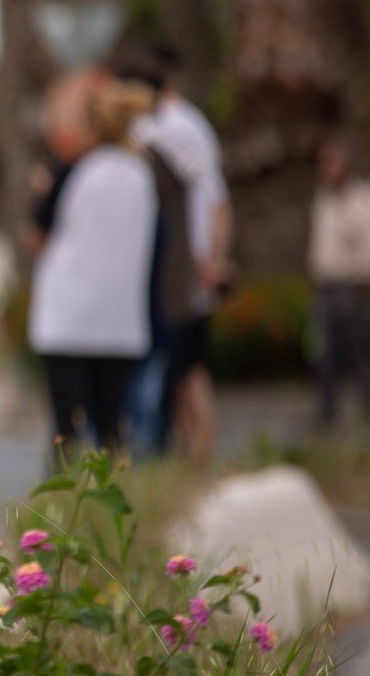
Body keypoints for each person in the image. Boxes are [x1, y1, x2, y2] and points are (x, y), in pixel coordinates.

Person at [27, 79, 159, 456]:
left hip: (67, 318)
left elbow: (38, 236)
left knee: (65, 432)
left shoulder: (72, 170)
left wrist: (40, 193)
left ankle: (59, 511)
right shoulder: (141, 175)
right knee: (112, 431)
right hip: (120, 319)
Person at [126, 43, 231, 464]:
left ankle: (201, 460)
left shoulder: (167, 129)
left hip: (181, 270)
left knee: (186, 373)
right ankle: (196, 460)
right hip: (187, 266)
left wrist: (209, 260)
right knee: (186, 372)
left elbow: (214, 203)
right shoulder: (189, 124)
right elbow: (219, 200)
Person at [309, 139, 370, 429]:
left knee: (360, 351)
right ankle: (327, 412)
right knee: (326, 355)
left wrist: (365, 281)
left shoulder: (359, 199)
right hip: (326, 286)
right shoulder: (324, 199)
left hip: (351, 288)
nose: (327, 170)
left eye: (332, 163)